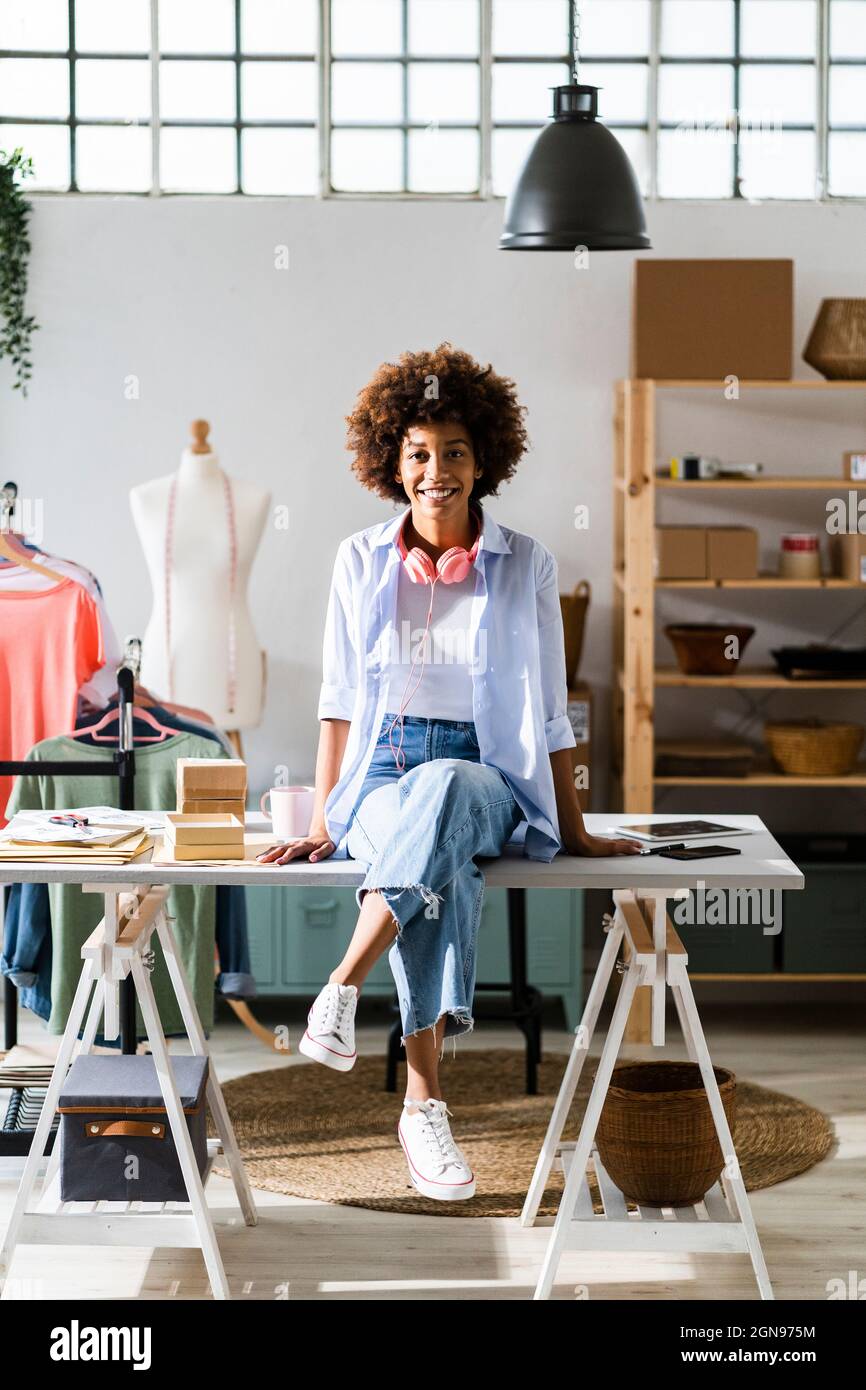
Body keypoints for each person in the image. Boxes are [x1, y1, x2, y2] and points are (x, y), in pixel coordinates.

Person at [258, 344, 642, 1201]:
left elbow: (548, 705)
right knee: (441, 867)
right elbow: (338, 706)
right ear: (393, 463)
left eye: (456, 453)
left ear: (485, 461)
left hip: (483, 770)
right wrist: (326, 821)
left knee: (446, 794)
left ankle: (341, 986)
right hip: (380, 768)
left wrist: (573, 825)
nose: (438, 471)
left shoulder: (526, 564)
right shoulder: (359, 561)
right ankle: (424, 1105)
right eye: (419, 454)